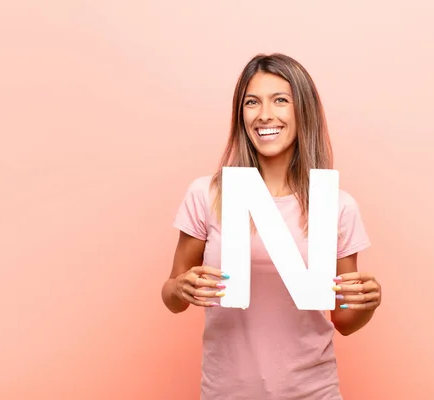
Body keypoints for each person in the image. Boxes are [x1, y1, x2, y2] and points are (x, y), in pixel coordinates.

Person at [161, 53, 382, 400]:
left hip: (314, 392)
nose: (265, 114)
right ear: (240, 114)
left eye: (281, 100)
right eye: (252, 102)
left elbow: (344, 321)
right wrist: (180, 288)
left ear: (302, 111)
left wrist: (367, 303)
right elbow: (171, 297)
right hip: (226, 393)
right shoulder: (208, 194)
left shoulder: (337, 205)